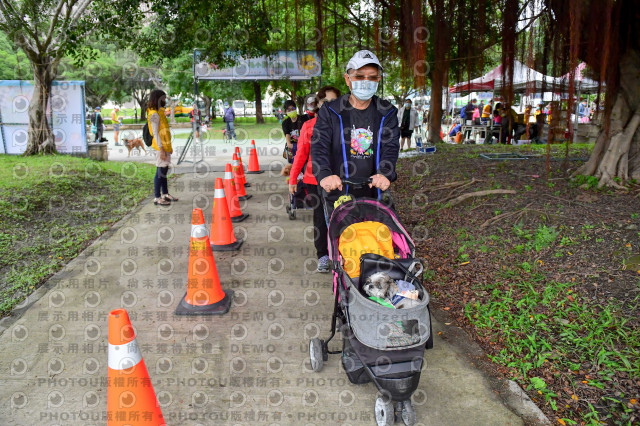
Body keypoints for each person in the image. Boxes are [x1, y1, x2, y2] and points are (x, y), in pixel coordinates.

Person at [311, 49, 399, 211]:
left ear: (378, 80)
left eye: (372, 77)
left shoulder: (387, 112)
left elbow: (391, 147)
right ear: (347, 79)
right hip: (338, 192)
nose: (366, 81)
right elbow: (319, 145)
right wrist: (324, 174)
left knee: (379, 235)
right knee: (339, 236)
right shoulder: (331, 111)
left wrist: (385, 173)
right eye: (359, 76)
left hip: (374, 193)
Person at [289, 86, 342, 273]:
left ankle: (342, 254)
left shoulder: (344, 126)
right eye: (325, 101)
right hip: (314, 181)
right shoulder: (308, 126)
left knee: (341, 216)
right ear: (318, 104)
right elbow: (300, 155)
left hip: (340, 180)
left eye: (333, 101)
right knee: (320, 217)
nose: (329, 105)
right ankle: (323, 256)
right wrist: (293, 179)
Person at [147, 89, 178, 206]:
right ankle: (157, 197)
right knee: (160, 171)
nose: (165, 101)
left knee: (164, 170)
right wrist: (161, 149)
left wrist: (168, 146)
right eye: (163, 99)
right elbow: (155, 133)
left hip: (165, 145)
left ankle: (165, 194)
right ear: (157, 99)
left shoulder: (160, 112)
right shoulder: (154, 114)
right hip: (160, 147)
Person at [281, 99, 310, 164]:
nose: (291, 110)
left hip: (304, 145)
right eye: (289, 110)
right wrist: (289, 144)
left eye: (293, 108)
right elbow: (287, 134)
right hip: (294, 146)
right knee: (294, 164)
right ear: (286, 111)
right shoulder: (285, 123)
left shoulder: (304, 118)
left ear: (295, 109)